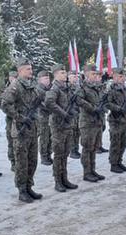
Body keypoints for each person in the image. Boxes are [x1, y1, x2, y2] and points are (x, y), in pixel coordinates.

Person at [3, 58, 43, 203]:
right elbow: (5, 104)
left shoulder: (32, 86)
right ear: (20, 71)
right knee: (21, 163)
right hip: (21, 131)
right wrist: (19, 117)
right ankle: (22, 190)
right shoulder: (15, 86)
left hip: (32, 130)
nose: (31, 71)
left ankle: (29, 186)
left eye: (31, 69)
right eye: (28, 69)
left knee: (32, 161)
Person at [45, 64, 79, 192]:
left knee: (65, 153)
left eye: (65, 73)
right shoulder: (54, 89)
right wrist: (63, 113)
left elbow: (73, 103)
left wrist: (73, 112)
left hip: (67, 125)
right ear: (56, 75)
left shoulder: (66, 88)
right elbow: (49, 103)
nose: (65, 75)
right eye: (62, 73)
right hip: (58, 125)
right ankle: (57, 181)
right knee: (59, 154)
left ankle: (64, 178)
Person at [76, 64, 106, 182]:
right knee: (87, 148)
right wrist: (93, 108)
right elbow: (79, 100)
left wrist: (101, 108)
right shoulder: (82, 88)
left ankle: (92, 170)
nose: (95, 76)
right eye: (93, 74)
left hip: (97, 121)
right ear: (86, 74)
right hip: (87, 122)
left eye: (96, 74)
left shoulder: (96, 87)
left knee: (94, 148)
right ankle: (86, 172)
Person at [105, 68, 126, 173]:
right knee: (115, 143)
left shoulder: (124, 89)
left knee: (122, 143)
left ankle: (119, 161)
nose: (123, 78)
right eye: (121, 76)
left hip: (124, 120)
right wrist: (118, 108)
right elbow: (107, 103)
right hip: (115, 120)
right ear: (115, 77)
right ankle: (113, 164)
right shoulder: (110, 89)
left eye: (124, 76)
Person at [1, 71, 19, 171]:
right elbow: (2, 104)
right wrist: (13, 112)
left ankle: (18, 162)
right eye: (11, 77)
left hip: (19, 120)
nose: (13, 79)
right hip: (10, 119)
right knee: (11, 142)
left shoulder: (19, 89)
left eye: (15, 77)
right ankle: (13, 162)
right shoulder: (6, 90)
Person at [36, 70, 53, 166]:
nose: (48, 80)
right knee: (44, 137)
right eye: (45, 78)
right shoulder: (38, 90)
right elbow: (42, 104)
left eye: (48, 78)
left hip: (51, 116)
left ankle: (49, 154)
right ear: (40, 80)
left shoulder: (50, 89)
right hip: (42, 116)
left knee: (50, 136)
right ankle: (43, 156)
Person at [68, 71, 82, 159]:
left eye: (76, 77)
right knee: (72, 132)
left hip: (78, 112)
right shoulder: (67, 87)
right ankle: (72, 151)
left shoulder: (78, 87)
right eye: (73, 77)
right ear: (68, 78)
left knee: (77, 132)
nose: (75, 78)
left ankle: (76, 149)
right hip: (71, 113)